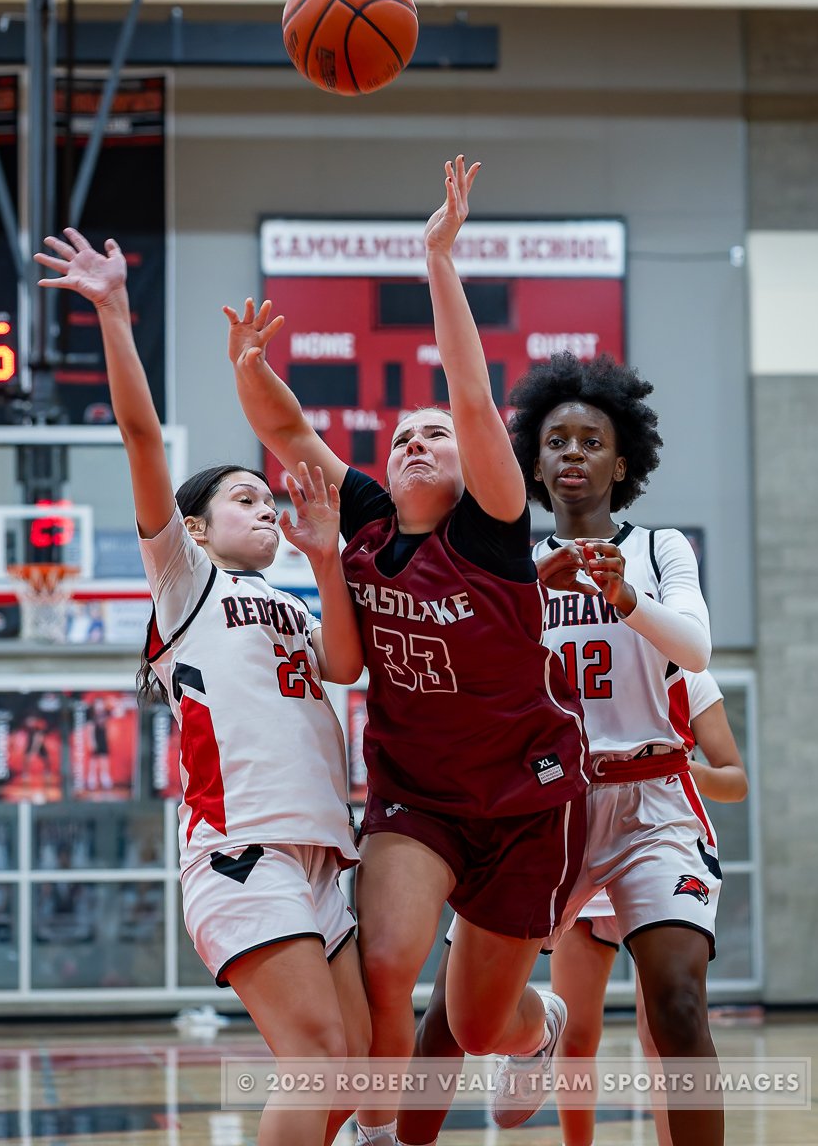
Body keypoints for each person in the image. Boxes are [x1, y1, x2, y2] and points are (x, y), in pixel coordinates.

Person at [227, 156, 590, 1146]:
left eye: (436, 435)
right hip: (417, 795)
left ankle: (536, 1028)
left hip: (526, 797)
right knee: (387, 964)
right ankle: (383, 1135)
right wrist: (249, 369)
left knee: (473, 1021)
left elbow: (472, 394)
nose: (420, 442)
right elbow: (289, 431)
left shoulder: (493, 524)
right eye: (404, 437)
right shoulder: (370, 523)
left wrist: (439, 259)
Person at [35, 227, 371, 1146]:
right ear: (195, 524)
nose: (266, 505)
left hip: (321, 857)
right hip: (244, 849)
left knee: (362, 1071)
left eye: (271, 497)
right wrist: (113, 312)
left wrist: (326, 558)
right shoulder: (187, 582)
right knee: (319, 1062)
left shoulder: (294, 602)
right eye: (246, 499)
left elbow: (348, 668)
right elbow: (141, 434)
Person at [397, 351, 722, 1146]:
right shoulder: (508, 568)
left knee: (677, 1002)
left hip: (652, 805)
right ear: (531, 464)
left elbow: (698, 647)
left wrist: (626, 598)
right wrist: (537, 584)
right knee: (449, 1015)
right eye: (555, 441)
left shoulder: (660, 549)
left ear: (622, 460)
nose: (572, 452)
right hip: (546, 809)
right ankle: (477, 1079)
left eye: (591, 439)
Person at [551, 666, 747, 1146]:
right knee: (575, 1034)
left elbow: (735, 780)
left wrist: (685, 769)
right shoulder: (571, 651)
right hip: (586, 834)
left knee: (662, 1027)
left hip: (657, 835)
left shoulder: (688, 672)